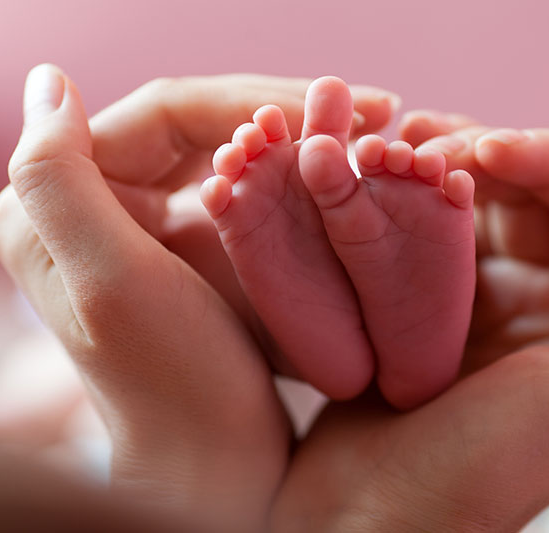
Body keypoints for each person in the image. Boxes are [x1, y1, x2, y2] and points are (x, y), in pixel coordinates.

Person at [0, 63, 549, 531]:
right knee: (74, 362)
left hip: (124, 456)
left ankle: (263, 301)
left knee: (72, 368)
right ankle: (260, 291)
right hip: (103, 480)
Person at [200, 76, 476, 408]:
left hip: (218, 312)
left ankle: (299, 326)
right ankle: (424, 350)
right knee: (191, 223)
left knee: (187, 233)